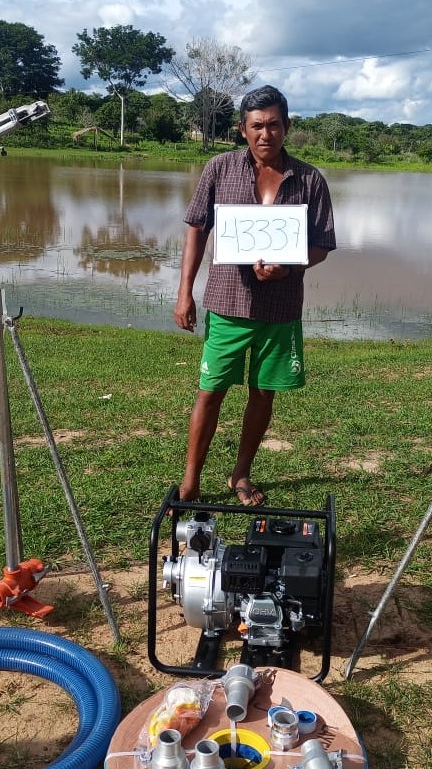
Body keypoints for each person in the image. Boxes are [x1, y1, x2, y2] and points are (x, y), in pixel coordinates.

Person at [173, 84, 336, 506]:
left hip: (280, 308)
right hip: (227, 303)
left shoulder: (310, 180)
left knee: (263, 392)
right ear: (242, 130)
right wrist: (184, 292)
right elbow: (196, 229)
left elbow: (321, 244)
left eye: (274, 125)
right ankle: (191, 480)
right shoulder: (219, 169)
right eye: (257, 126)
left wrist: (290, 265)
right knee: (211, 391)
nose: (266, 134)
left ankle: (240, 475)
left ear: (287, 127)